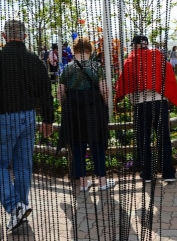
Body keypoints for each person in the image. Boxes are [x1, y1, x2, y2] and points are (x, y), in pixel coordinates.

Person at [0, 19, 54, 232]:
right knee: (23, 166)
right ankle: (20, 209)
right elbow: (46, 94)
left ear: (4, 36)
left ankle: (15, 207)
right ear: (25, 36)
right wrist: (48, 120)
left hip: (4, 118)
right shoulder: (35, 61)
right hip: (28, 117)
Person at [115, 35, 177, 183]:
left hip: (140, 104)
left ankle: (147, 174)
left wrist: (128, 99)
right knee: (163, 137)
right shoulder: (158, 57)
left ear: (135, 45)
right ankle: (168, 173)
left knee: (143, 139)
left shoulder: (131, 60)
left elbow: (124, 81)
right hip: (159, 102)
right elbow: (169, 74)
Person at [57, 36, 115, 191]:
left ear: (74, 49)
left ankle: (83, 183)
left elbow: (60, 93)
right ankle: (102, 182)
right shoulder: (96, 67)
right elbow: (104, 90)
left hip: (73, 112)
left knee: (77, 146)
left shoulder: (67, 68)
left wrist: (67, 106)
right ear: (90, 49)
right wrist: (103, 105)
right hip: (94, 110)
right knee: (97, 143)